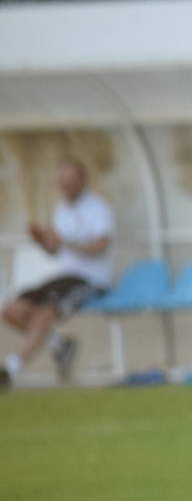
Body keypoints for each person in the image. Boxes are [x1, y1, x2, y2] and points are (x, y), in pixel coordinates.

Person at [1, 158, 113, 389]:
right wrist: (40, 238)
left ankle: (11, 369)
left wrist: (66, 242)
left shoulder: (98, 208)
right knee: (12, 310)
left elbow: (101, 245)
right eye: (62, 180)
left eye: (71, 180)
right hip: (62, 277)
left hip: (89, 279)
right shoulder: (61, 209)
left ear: (82, 180)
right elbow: (54, 250)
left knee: (43, 313)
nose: (66, 185)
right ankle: (59, 346)